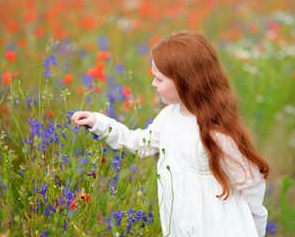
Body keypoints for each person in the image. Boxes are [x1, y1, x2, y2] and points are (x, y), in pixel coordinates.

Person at [72, 31, 270, 237]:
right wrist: (100, 123)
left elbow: (251, 183)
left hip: (220, 228)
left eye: (158, 79)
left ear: (185, 82)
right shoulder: (169, 116)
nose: (153, 84)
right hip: (182, 224)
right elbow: (139, 143)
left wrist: (255, 227)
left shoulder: (216, 132)